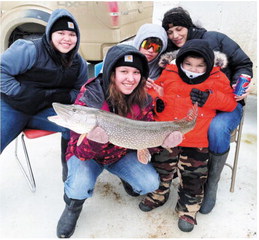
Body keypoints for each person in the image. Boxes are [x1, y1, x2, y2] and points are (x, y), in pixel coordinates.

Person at [56, 44, 182, 238]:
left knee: (149, 183)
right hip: (89, 156)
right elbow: (79, 151)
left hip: (119, 154)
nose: (130, 78)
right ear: (112, 73)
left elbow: (145, 136)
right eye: (123, 71)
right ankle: (73, 205)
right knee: (79, 185)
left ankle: (125, 176)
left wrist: (163, 142)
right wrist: (94, 142)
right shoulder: (90, 96)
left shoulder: (144, 99)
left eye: (135, 72)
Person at [159, 6, 253, 214]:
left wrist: (239, 85)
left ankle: (210, 184)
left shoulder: (215, 39)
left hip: (226, 101)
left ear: (189, 26)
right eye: (169, 31)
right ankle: (176, 172)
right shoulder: (171, 51)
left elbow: (244, 63)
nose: (175, 35)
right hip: (195, 107)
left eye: (179, 28)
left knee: (216, 128)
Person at [139, 39, 238, 232]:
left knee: (194, 176)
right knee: (161, 167)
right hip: (167, 135)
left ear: (208, 65)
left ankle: (188, 209)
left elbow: (230, 103)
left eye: (200, 66)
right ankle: (158, 195)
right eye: (189, 64)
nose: (194, 69)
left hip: (196, 139)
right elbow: (153, 91)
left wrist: (211, 99)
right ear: (181, 62)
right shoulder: (169, 72)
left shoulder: (217, 78)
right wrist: (158, 100)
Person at [0, 9, 88, 182]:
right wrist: (19, 92)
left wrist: (64, 98)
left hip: (45, 110)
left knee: (73, 127)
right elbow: (1, 71)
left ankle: (69, 170)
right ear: (50, 34)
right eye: (61, 33)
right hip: (13, 107)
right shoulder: (29, 50)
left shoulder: (79, 63)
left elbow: (81, 91)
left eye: (72, 34)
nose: (66, 38)